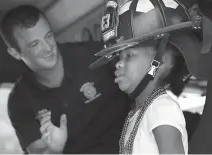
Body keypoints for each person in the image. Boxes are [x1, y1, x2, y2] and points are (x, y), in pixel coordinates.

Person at [0, 5, 130, 154]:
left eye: (48, 36)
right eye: (35, 44)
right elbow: (38, 153)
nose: (48, 48)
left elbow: (140, 87)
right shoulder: (20, 101)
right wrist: (55, 149)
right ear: (15, 53)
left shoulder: (94, 56)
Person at [91, 0, 212, 154]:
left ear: (160, 62)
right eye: (118, 57)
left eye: (129, 55)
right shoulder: (140, 113)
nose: (119, 64)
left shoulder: (161, 109)